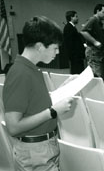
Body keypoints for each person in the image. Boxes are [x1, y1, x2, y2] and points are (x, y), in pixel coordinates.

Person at [2, 16, 74, 171]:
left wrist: (63, 89)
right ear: (40, 46)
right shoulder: (20, 73)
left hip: (42, 147)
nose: (58, 52)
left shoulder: (31, 68)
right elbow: (13, 127)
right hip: (34, 152)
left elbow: (33, 103)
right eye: (55, 47)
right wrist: (53, 112)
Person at [81, 3, 104, 78]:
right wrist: (95, 42)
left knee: (100, 75)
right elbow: (83, 31)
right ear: (97, 11)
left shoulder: (99, 22)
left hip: (98, 52)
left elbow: (99, 36)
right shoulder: (93, 20)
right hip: (93, 52)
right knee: (97, 76)